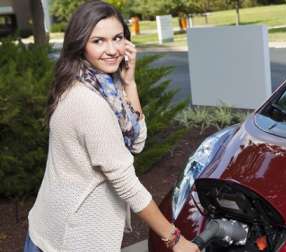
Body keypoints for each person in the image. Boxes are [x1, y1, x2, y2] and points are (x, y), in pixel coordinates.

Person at [24, 1, 199, 251]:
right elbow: (126, 183)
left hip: (53, 228)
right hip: (69, 240)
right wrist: (174, 239)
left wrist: (130, 84)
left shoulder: (103, 85)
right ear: (80, 44)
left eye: (117, 38)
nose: (112, 50)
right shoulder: (89, 102)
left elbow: (136, 142)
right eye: (98, 41)